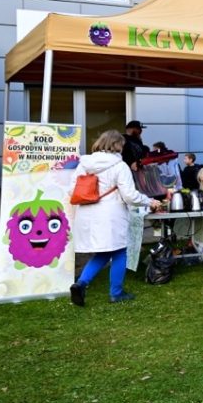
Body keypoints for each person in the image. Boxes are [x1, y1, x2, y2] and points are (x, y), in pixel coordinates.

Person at [68, 131, 164, 306]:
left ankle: (81, 284)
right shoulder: (120, 166)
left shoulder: (84, 164)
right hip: (110, 215)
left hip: (86, 214)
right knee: (120, 251)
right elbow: (130, 195)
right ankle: (116, 292)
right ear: (118, 145)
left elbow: (71, 190)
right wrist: (149, 201)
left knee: (104, 252)